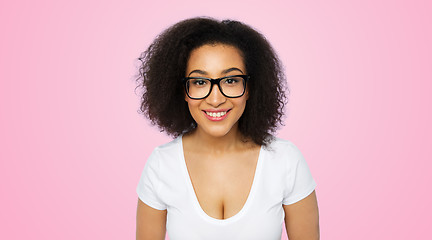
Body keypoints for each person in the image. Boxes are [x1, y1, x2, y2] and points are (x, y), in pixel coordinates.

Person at [135, 17, 319, 240]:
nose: (215, 99)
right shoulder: (161, 165)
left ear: (249, 87)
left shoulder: (286, 161)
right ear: (183, 90)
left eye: (230, 80)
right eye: (200, 82)